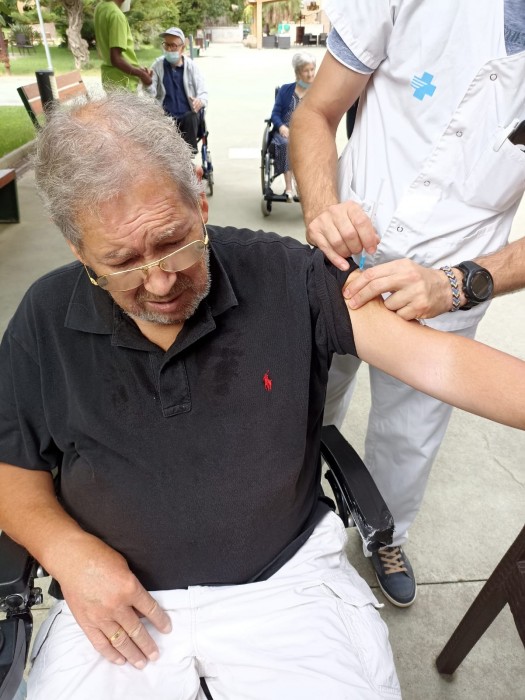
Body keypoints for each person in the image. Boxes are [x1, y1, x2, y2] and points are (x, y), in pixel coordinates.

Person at [1, 92, 524, 700]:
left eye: (173, 242)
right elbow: (12, 465)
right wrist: (66, 553)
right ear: (77, 249)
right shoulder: (44, 315)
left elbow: (445, 364)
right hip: (114, 605)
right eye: (120, 262)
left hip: (287, 589)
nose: (160, 281)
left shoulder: (288, 275)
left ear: (200, 200)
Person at [289, 0, 525, 608]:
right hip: (339, 264)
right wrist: (323, 211)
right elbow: (316, 112)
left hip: (445, 292)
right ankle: (288, 508)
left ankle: (384, 535)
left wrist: (457, 284)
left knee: (410, 436)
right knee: (302, 399)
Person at [148, 27, 208, 153]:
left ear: (182, 48)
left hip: (188, 118)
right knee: (159, 123)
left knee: (191, 116)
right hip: (166, 118)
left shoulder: (192, 67)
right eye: (166, 45)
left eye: (173, 46)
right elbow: (150, 94)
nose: (169, 49)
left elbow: (203, 94)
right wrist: (147, 83)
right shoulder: (157, 66)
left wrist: (200, 101)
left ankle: (188, 155)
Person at [270, 52, 316, 201]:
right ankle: (289, 188)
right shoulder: (285, 90)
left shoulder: (317, 92)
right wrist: (281, 127)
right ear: (297, 73)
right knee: (286, 144)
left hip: (307, 133)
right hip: (285, 132)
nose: (310, 74)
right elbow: (275, 114)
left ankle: (303, 186)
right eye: (306, 70)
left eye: (312, 69)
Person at [94, 0, 152, 91]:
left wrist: (136, 68)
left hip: (110, 79)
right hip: (123, 83)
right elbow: (116, 60)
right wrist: (142, 75)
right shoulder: (116, 15)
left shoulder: (100, 7)